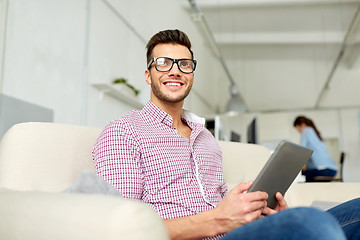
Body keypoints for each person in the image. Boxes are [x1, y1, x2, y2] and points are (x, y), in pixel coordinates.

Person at [93, 29, 360, 240]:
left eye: (184, 64)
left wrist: (259, 212)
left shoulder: (206, 138)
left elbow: (221, 203)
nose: (175, 70)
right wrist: (219, 219)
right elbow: (121, 228)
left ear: (192, 75)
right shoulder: (123, 132)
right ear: (148, 75)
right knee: (309, 221)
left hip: (239, 233)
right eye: (162, 63)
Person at [293, 116, 338, 182]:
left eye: (297, 128)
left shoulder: (306, 130)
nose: (298, 131)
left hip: (322, 170)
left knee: (298, 177)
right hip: (332, 170)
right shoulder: (315, 133)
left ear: (302, 125)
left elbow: (302, 151)